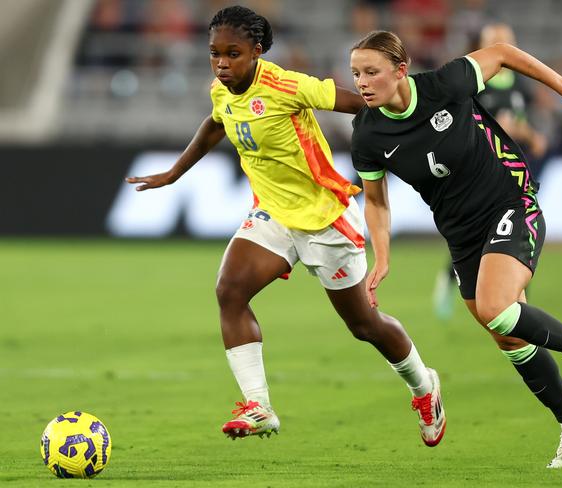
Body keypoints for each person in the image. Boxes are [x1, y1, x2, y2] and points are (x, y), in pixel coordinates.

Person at [126, 7, 446, 447]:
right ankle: (259, 407)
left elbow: (359, 103)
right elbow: (216, 123)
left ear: (257, 52)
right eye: (214, 54)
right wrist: (174, 173)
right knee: (229, 290)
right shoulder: (223, 90)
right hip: (274, 214)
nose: (221, 63)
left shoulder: (285, 84)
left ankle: (424, 387)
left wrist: (409, 126)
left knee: (364, 325)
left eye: (233, 54)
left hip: (324, 218)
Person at [349, 30, 562, 468]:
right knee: (507, 334)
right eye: (356, 73)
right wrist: (381, 256)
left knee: (496, 306)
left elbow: (504, 53)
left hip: (510, 202)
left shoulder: (445, 85)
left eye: (371, 72)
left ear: (400, 70)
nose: (362, 82)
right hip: (461, 233)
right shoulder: (367, 133)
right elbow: (376, 202)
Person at [432, 23, 548, 320]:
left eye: (505, 41)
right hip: (477, 173)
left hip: (511, 170)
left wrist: (531, 135)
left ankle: (520, 304)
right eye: (493, 42)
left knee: (517, 234)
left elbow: (516, 122)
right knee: (479, 234)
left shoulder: (520, 85)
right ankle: (450, 280)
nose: (501, 46)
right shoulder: (471, 84)